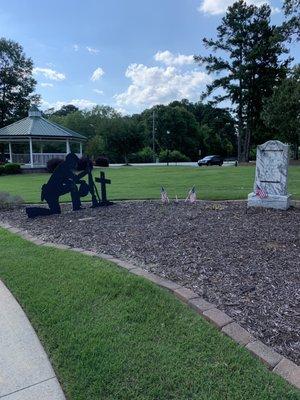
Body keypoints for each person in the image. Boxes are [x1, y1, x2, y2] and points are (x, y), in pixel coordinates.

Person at [26, 153, 90, 218]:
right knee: (55, 212)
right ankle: (32, 211)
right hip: (51, 192)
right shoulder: (64, 167)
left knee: (72, 186)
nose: (75, 164)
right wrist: (85, 172)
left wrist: (80, 181)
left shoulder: (64, 167)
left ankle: (77, 206)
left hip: (54, 191)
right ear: (70, 161)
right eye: (75, 162)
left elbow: (68, 180)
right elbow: (74, 178)